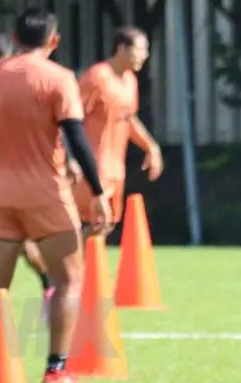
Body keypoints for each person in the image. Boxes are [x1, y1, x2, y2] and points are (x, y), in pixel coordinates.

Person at [0, 9, 110, 383]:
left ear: (15, 36)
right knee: (69, 281)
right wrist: (98, 192)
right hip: (47, 196)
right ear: (53, 41)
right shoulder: (58, 78)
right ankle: (56, 370)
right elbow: (76, 138)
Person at [0, 32, 57, 324]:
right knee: (14, 243)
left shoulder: (1, 86)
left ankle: (49, 284)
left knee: (9, 246)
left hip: (1, 181)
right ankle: (49, 284)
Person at [72, 26, 164, 232]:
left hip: (116, 167)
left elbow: (129, 119)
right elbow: (70, 118)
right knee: (93, 221)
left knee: (106, 224)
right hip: (93, 165)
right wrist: (71, 158)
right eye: (141, 49)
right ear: (122, 48)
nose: (145, 55)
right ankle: (62, 262)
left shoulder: (130, 80)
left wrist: (151, 147)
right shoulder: (96, 77)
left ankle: (72, 262)